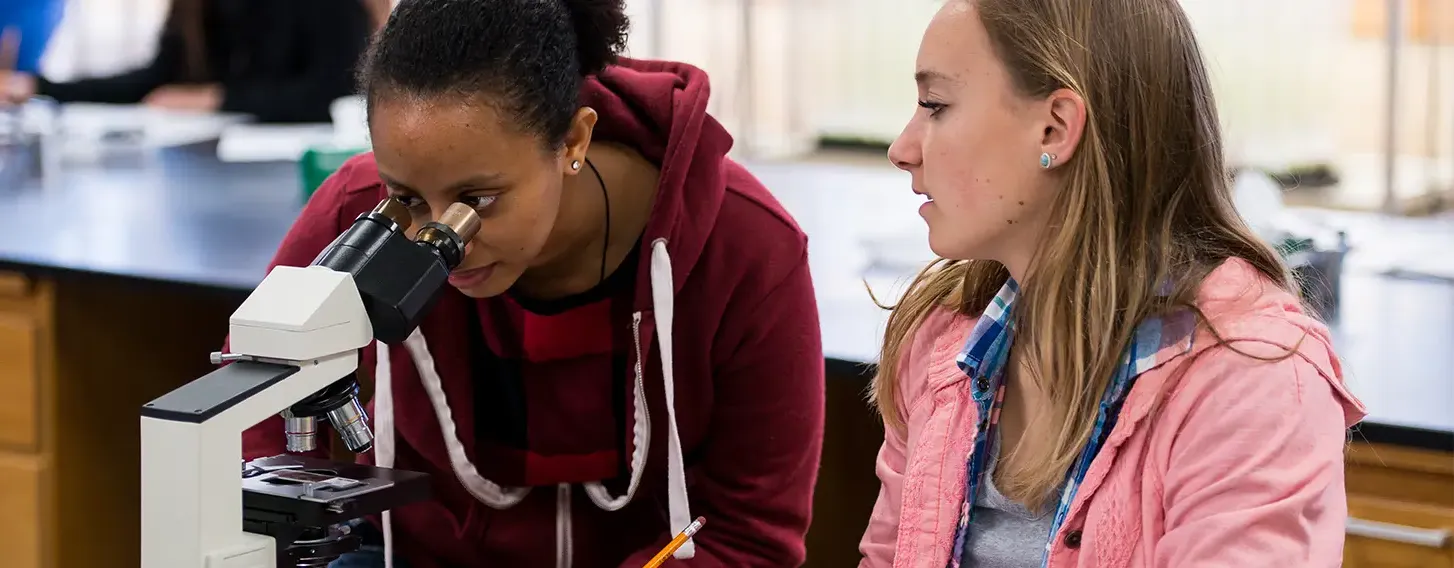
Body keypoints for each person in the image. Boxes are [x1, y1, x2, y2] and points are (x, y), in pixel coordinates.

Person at [234, 0, 825, 566]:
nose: (440, 238)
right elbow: (256, 408)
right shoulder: (357, 207)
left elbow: (752, 536)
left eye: (478, 201)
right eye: (407, 198)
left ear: (574, 140)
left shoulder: (748, 247)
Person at [858, 1, 1365, 566]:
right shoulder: (939, 341)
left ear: (1055, 127)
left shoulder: (1256, 381)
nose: (902, 151)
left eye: (936, 106)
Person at [0, 0, 372, 123]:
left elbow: (337, 89)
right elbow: (151, 81)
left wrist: (220, 99)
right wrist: (39, 86)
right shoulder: (196, 9)